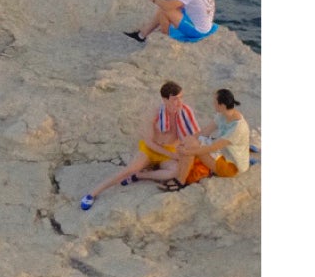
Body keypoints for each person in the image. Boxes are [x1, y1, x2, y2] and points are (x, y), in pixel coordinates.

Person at [81, 81, 206, 210]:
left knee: (174, 172)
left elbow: (193, 136)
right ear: (164, 99)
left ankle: (140, 176)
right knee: (129, 170)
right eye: (175, 99)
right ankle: (92, 194)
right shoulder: (154, 113)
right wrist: (172, 155)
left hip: (169, 149)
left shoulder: (185, 113)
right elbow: (149, 142)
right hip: (152, 149)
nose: (179, 102)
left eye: (181, 98)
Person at [183, 88, 251, 183]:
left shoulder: (237, 128)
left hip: (232, 166)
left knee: (193, 149)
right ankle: (182, 173)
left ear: (222, 105)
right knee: (190, 142)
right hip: (222, 152)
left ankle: (180, 179)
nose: (213, 104)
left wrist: (190, 151)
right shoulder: (222, 115)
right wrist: (187, 140)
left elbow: (213, 148)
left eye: (215, 102)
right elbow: (205, 131)